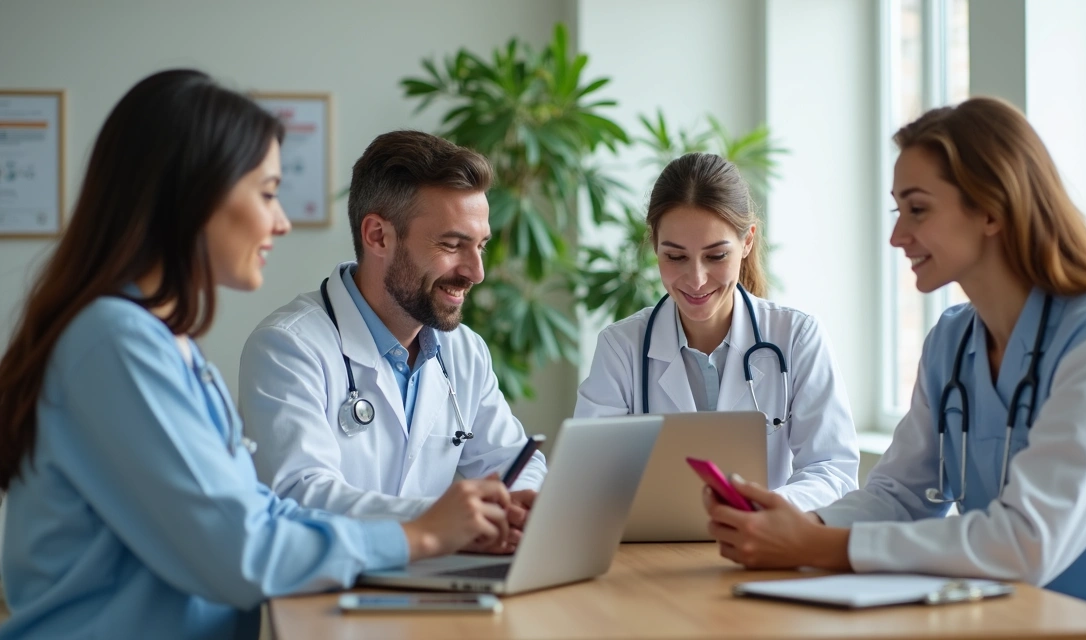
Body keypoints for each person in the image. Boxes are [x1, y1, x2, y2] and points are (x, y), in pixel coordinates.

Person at [0, 70, 514, 640]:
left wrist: (440, 524)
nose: (282, 220)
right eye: (267, 192)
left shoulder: (164, 344)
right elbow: (241, 554)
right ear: (192, 198)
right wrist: (420, 535)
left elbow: (260, 515)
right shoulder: (116, 344)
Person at [700, 97, 1086, 639]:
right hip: (1013, 620)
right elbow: (901, 494)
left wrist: (821, 546)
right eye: (898, 210)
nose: (898, 236)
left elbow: (1026, 543)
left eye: (918, 210)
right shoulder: (952, 340)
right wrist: (799, 527)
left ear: (992, 209)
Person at [238, 130, 545, 546]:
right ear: (378, 236)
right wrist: (445, 520)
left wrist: (522, 504)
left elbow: (514, 462)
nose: (476, 272)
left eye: (480, 246)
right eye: (452, 245)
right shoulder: (288, 347)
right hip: (332, 595)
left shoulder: (465, 351)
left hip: (435, 584)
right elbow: (298, 494)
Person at [574, 152, 859, 511]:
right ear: (655, 246)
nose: (695, 280)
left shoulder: (797, 337)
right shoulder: (622, 347)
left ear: (747, 242)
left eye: (716, 256)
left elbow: (833, 471)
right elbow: (588, 476)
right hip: (656, 553)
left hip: (765, 546)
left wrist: (763, 507)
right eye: (675, 257)